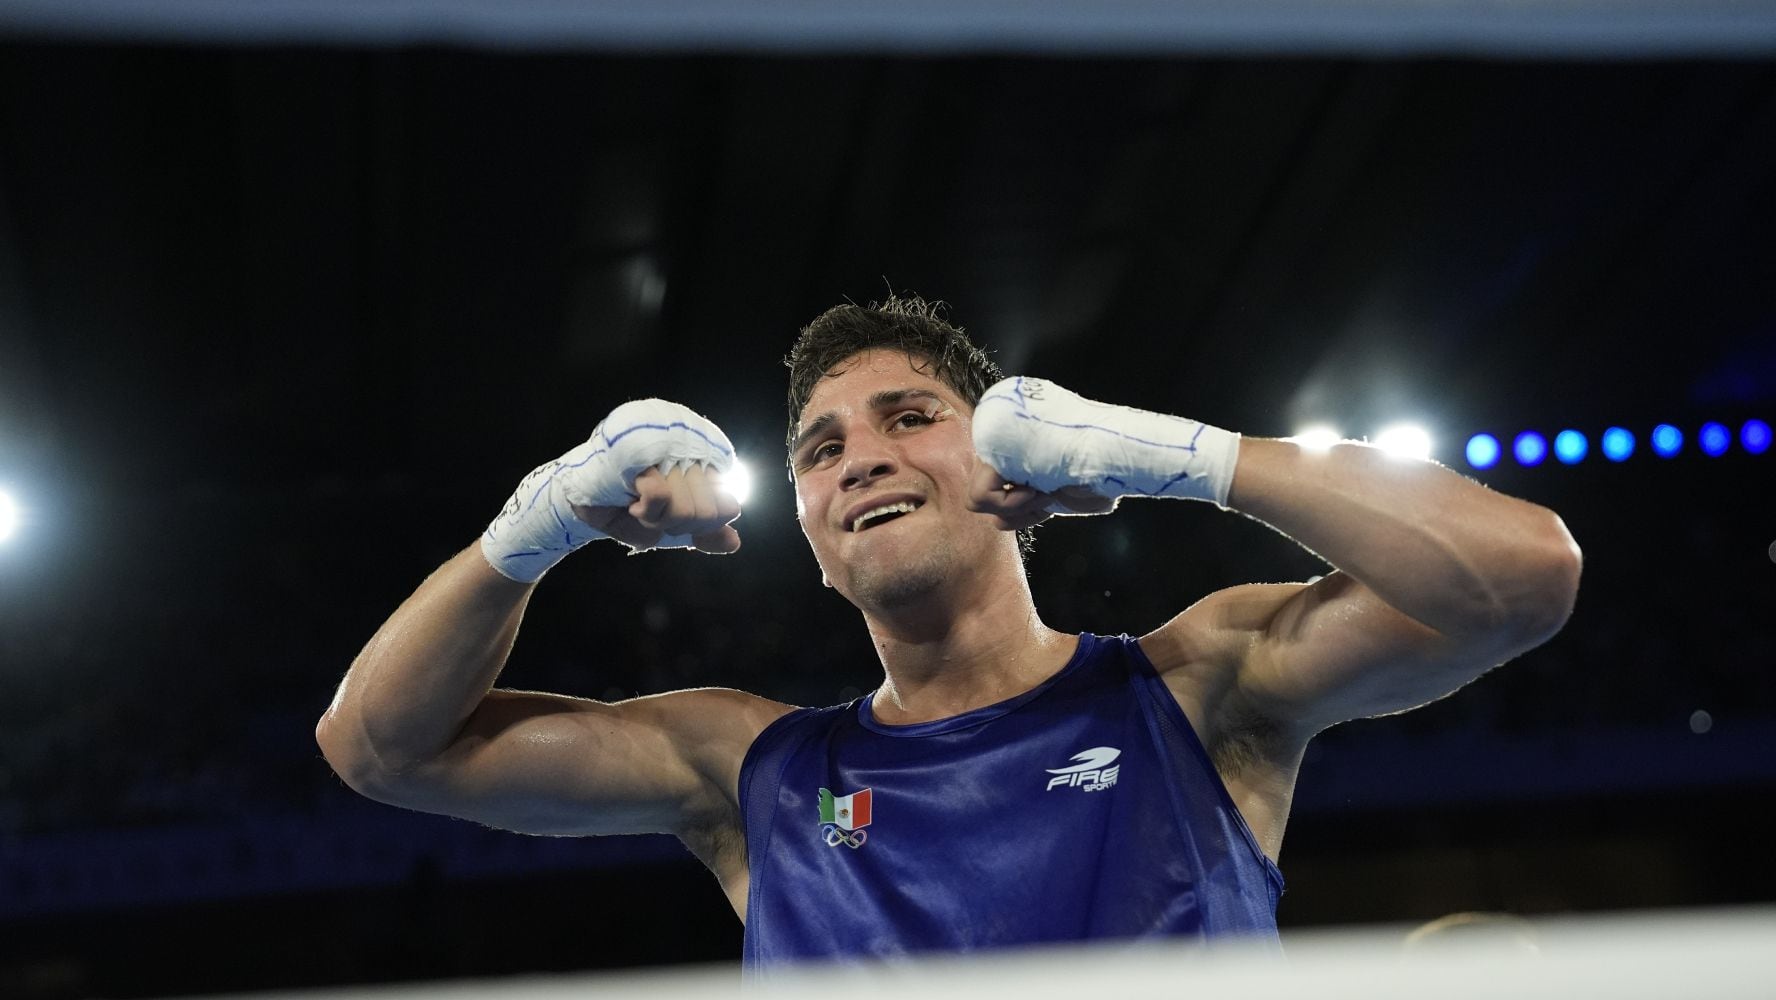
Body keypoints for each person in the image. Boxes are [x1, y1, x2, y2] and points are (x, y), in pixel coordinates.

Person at [316, 294, 1581, 972]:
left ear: (1013, 460)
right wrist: (538, 523)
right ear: (807, 529)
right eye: (822, 448)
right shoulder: (750, 770)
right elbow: (379, 747)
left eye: (911, 416)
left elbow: (1525, 576)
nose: (862, 457)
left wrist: (1182, 458)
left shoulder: (1200, 685)